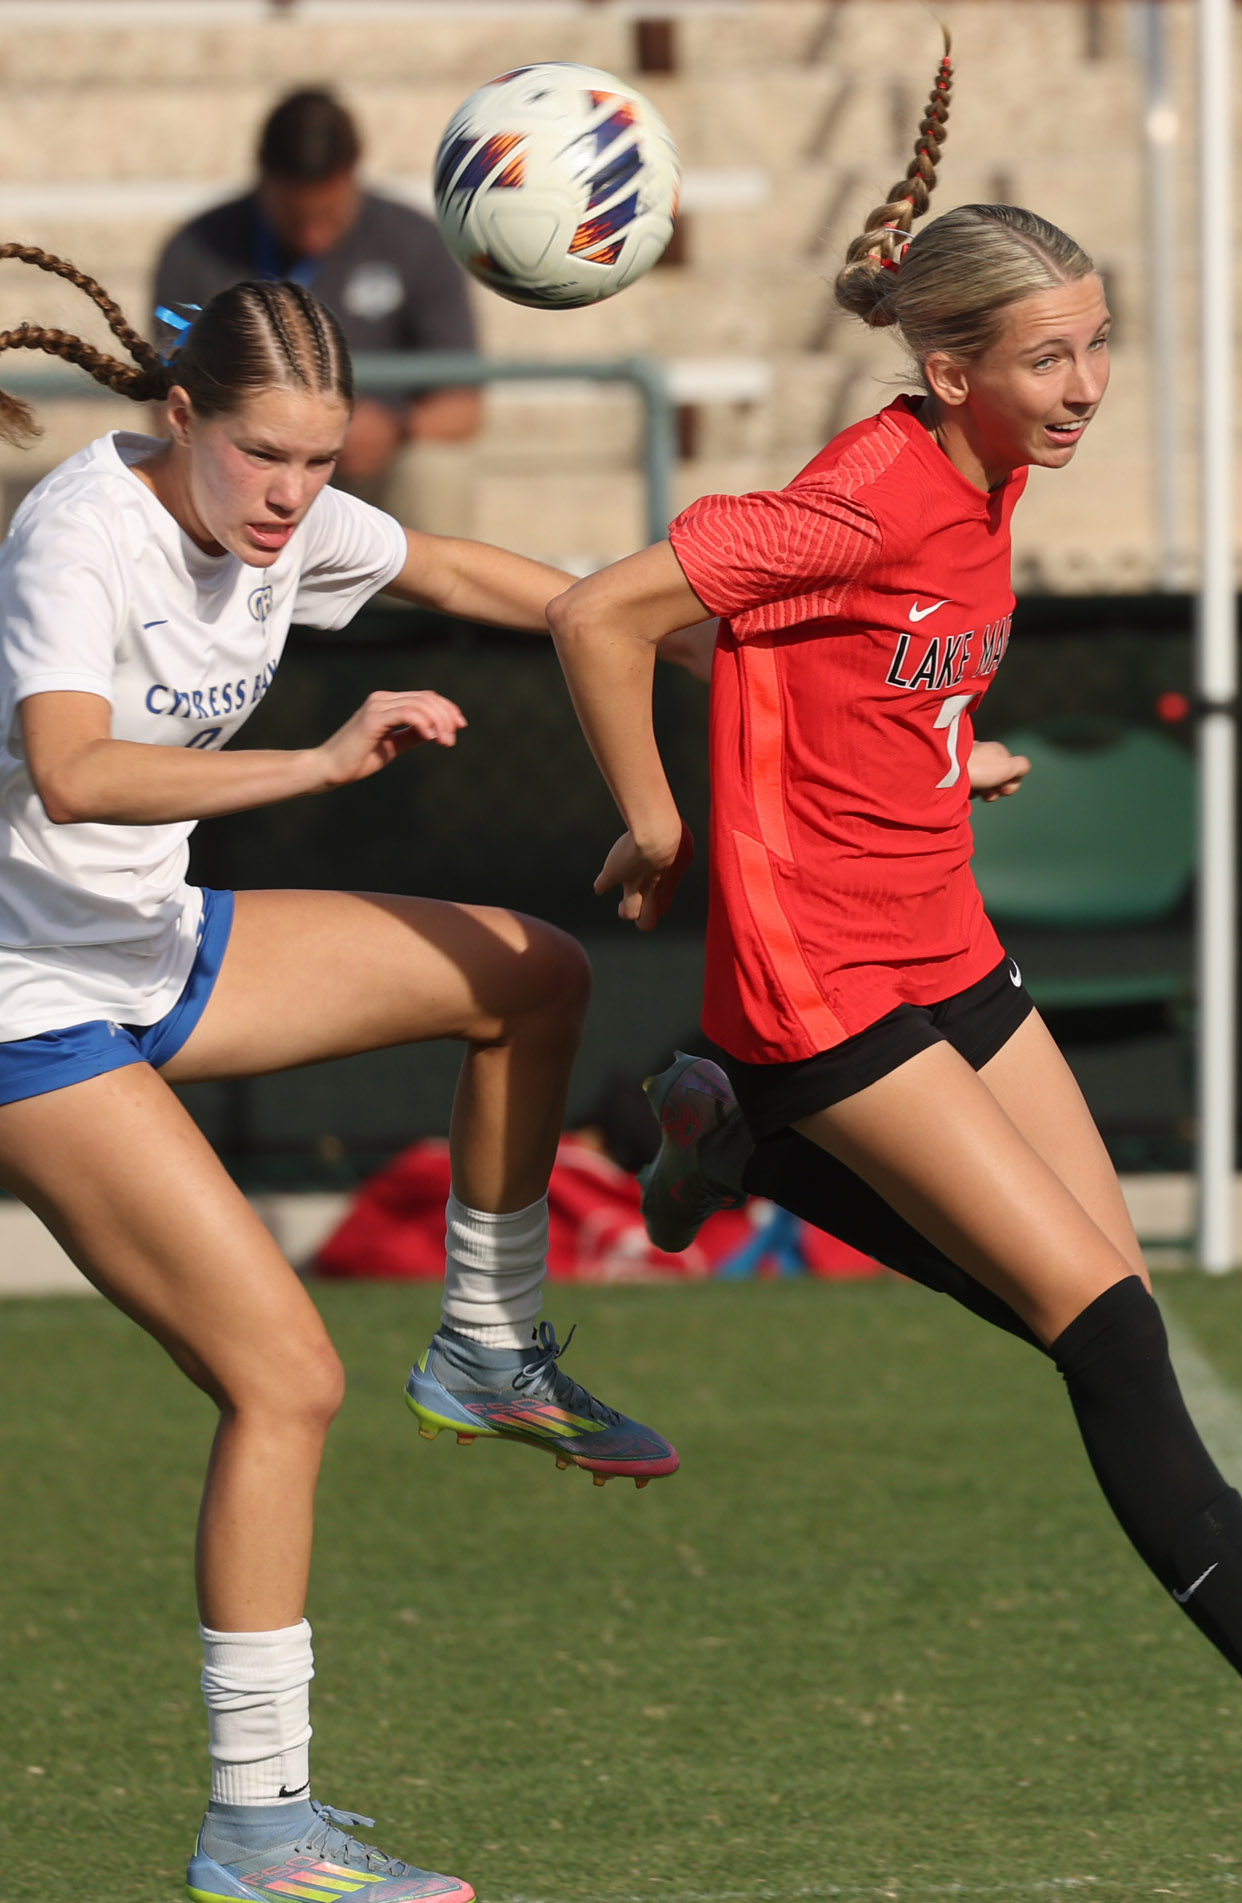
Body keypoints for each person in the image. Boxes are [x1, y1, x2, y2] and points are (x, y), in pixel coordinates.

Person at [545, 40, 1242, 1834]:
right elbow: (606, 612)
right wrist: (664, 819)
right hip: (824, 976)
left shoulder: (988, 468)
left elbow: (803, 647)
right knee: (1101, 1330)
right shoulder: (871, 488)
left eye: (1094, 345)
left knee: (1107, 1299)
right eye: (1047, 357)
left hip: (944, 935)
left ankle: (748, 1144)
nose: (1085, 387)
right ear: (949, 370)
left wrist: (933, 737)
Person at [0, 244, 677, 1903]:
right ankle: (259, 1828)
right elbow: (73, 773)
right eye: (262, 455)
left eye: (322, 459)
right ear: (181, 416)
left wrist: (689, 630)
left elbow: (460, 567)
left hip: (156, 949)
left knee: (538, 973)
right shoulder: (79, 533)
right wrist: (317, 754)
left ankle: (490, 1346)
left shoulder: (284, 517)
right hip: (28, 1007)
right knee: (285, 1378)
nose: (295, 494)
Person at [153, 88, 481, 485]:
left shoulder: (416, 242)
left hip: (372, 469)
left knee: (435, 471)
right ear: (264, 181)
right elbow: (167, 406)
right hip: (245, 469)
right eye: (294, 218)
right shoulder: (196, 248)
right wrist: (254, 440)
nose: (313, 238)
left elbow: (465, 406)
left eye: (329, 215)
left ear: (353, 175)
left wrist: (396, 427)